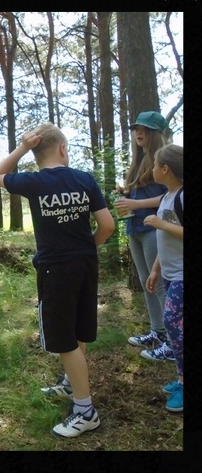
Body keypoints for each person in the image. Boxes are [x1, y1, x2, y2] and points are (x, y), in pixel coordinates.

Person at [0, 122, 115, 438]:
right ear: (62, 149)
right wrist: (88, 246)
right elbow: (107, 225)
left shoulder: (33, 182)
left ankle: (85, 411)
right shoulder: (84, 179)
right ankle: (72, 385)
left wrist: (21, 147)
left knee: (63, 339)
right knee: (78, 329)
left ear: (36, 153)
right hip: (86, 264)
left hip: (55, 269)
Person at [113, 111, 172, 361]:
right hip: (134, 228)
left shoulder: (166, 158)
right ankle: (157, 332)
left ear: (156, 134)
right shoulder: (139, 161)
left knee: (158, 283)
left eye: (145, 129)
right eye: (136, 128)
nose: (139, 133)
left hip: (154, 228)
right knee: (145, 281)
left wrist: (136, 204)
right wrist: (127, 192)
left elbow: (170, 196)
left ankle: (173, 341)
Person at [143, 144, 183, 412]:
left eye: (155, 164)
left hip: (183, 275)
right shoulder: (167, 196)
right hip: (169, 274)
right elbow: (166, 239)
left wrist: (161, 224)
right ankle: (181, 378)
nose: (152, 168)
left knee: (172, 323)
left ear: (166, 169)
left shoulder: (182, 196)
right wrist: (156, 268)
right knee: (176, 328)